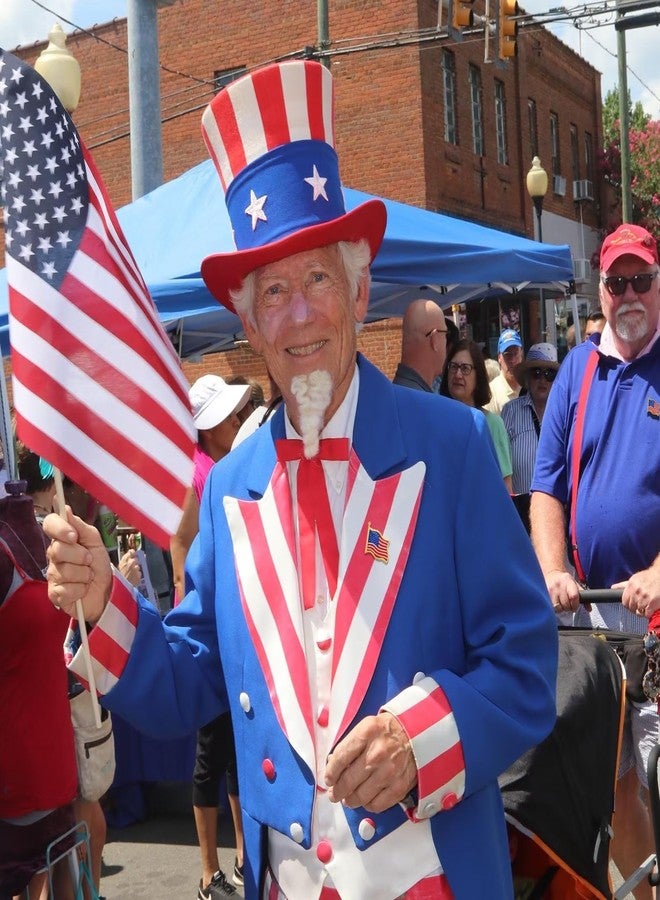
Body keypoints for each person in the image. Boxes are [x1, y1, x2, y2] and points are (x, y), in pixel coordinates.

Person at [45, 59, 557, 900]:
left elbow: (528, 664)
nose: (299, 313)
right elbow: (187, 683)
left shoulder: (456, 445)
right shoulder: (229, 487)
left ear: (360, 289)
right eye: (272, 290)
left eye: (317, 278)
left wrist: (417, 738)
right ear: (246, 320)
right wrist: (105, 600)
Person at [530, 222, 660, 899]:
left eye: (642, 279)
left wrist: (658, 574)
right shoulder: (579, 371)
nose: (630, 293)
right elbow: (547, 487)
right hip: (595, 622)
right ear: (600, 290)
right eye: (617, 282)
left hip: (658, 617)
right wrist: (555, 569)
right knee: (616, 786)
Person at [171, 374, 250, 899]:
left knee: (239, 746)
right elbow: (182, 549)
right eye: (229, 415)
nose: (239, 421)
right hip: (212, 634)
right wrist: (192, 620)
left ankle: (246, 853)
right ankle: (207, 871)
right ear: (206, 426)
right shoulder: (197, 474)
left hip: (237, 628)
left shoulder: (225, 468)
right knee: (212, 753)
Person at [0, 484, 78, 900]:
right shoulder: (31, 532)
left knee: (64, 873)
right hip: (27, 764)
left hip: (44, 760)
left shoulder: (42, 531)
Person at [440, 339, 513, 492]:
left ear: (478, 375)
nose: (458, 374)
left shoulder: (493, 424)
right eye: (453, 367)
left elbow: (505, 487)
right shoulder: (437, 421)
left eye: (465, 368)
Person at [502, 343, 560, 532]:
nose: (542, 380)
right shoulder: (510, 412)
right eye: (536, 372)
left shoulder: (566, 413)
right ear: (527, 378)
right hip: (519, 514)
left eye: (549, 374)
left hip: (558, 512)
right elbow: (503, 467)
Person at [392, 299, 448, 392]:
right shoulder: (425, 402)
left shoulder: (394, 392)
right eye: (445, 334)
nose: (446, 341)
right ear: (435, 339)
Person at [484, 328, 523, 414]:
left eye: (516, 353)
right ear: (499, 358)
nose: (512, 360)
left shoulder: (529, 387)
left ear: (521, 354)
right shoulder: (491, 392)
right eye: (507, 355)